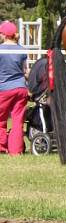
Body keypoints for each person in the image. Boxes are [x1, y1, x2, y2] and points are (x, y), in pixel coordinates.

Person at [0, 21, 29, 155]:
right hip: (21, 88)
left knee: (1, 119)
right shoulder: (22, 50)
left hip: (4, 89)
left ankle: (2, 147)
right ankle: (16, 150)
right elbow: (25, 71)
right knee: (18, 121)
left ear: (3, 35)